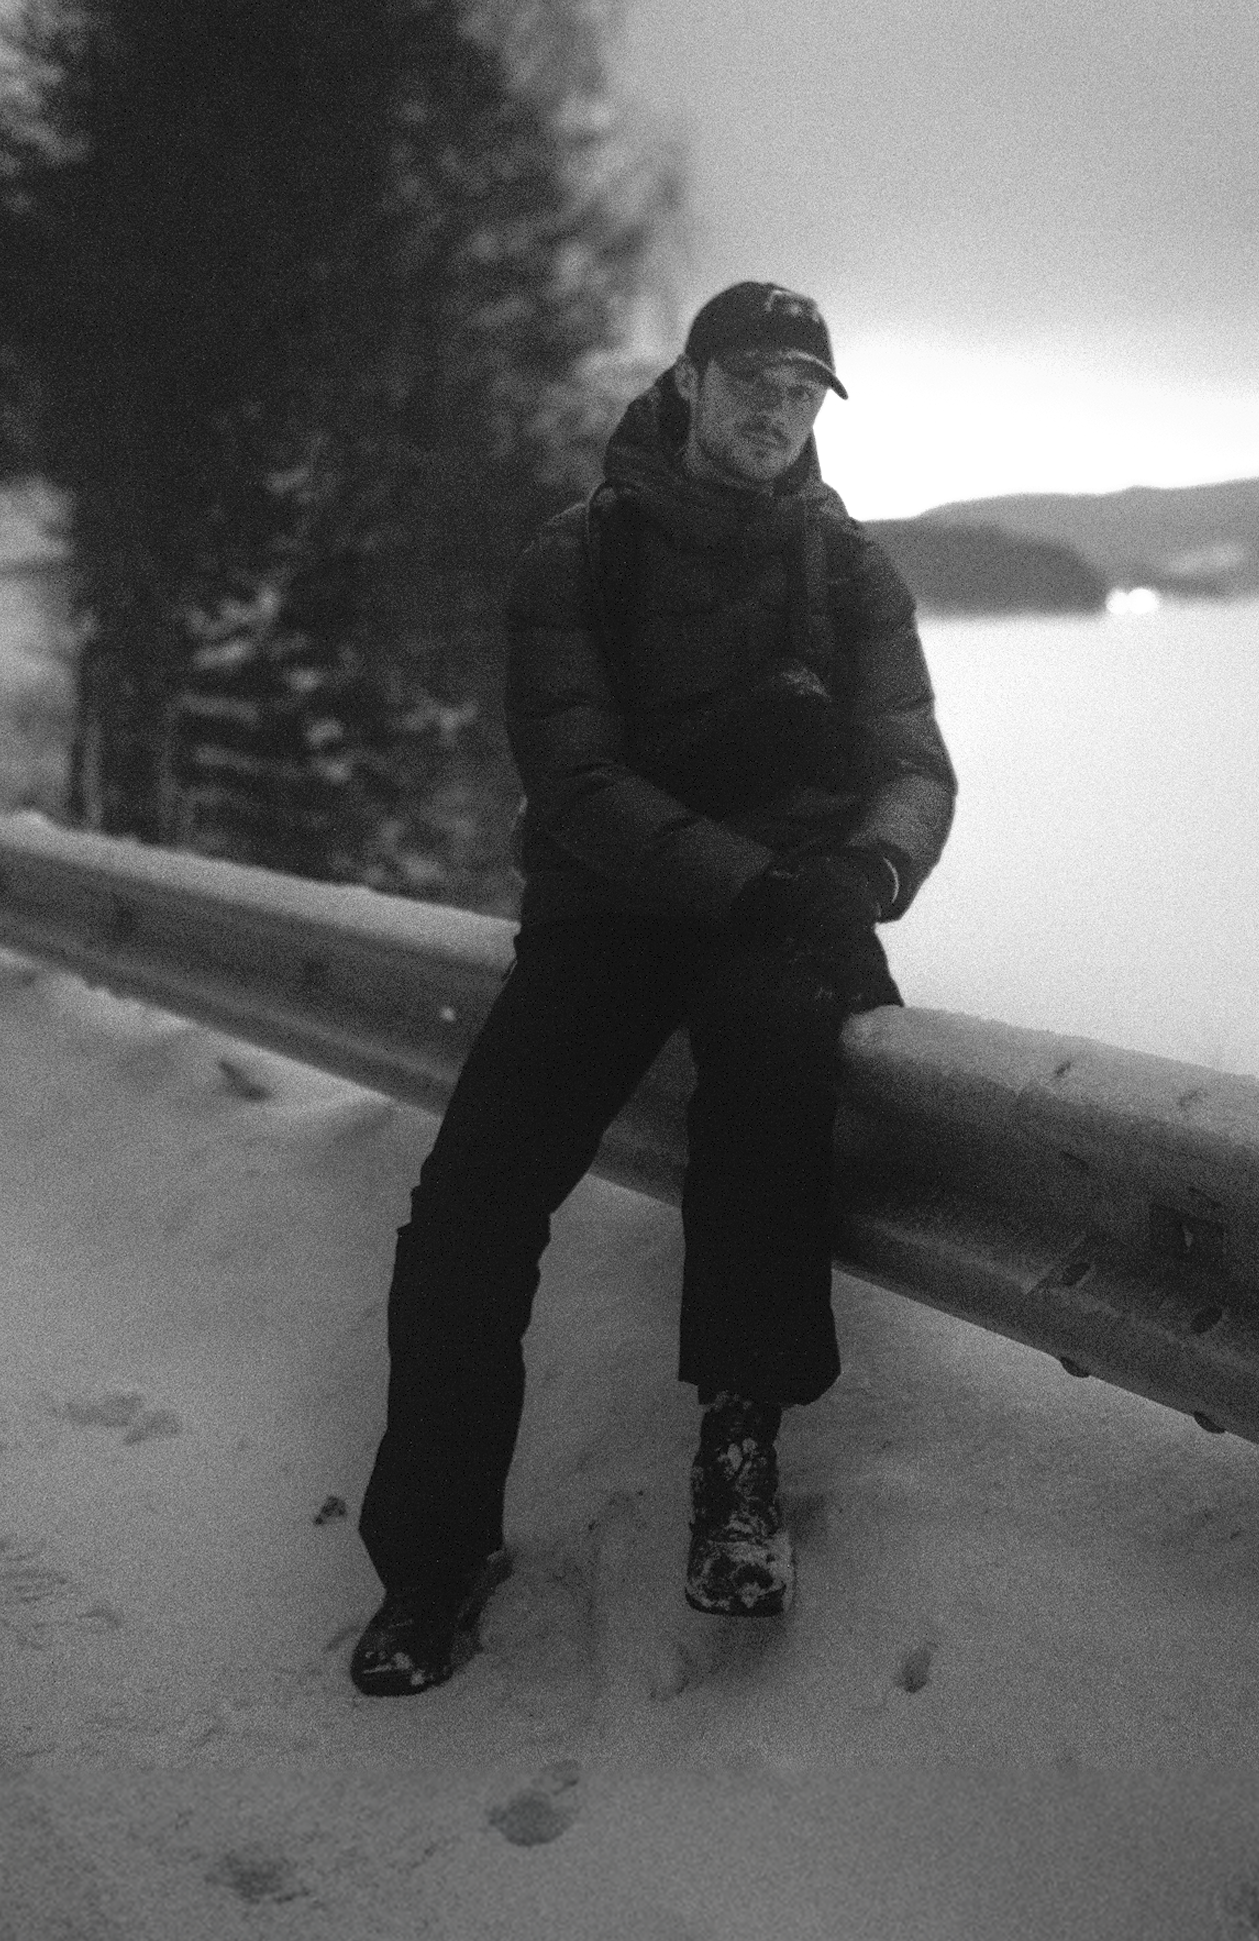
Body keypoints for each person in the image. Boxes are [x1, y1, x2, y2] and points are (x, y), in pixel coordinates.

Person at [351, 281, 956, 1694]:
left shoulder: (853, 571)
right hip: (613, 907)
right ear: (687, 383)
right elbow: (574, 777)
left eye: (803, 390)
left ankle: (738, 1470)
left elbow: (913, 763)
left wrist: (866, 874)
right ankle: (432, 1564)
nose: (777, 410)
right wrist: (743, 877)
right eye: (753, 378)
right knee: (471, 1208)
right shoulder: (580, 555)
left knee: (771, 1096)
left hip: (784, 912)